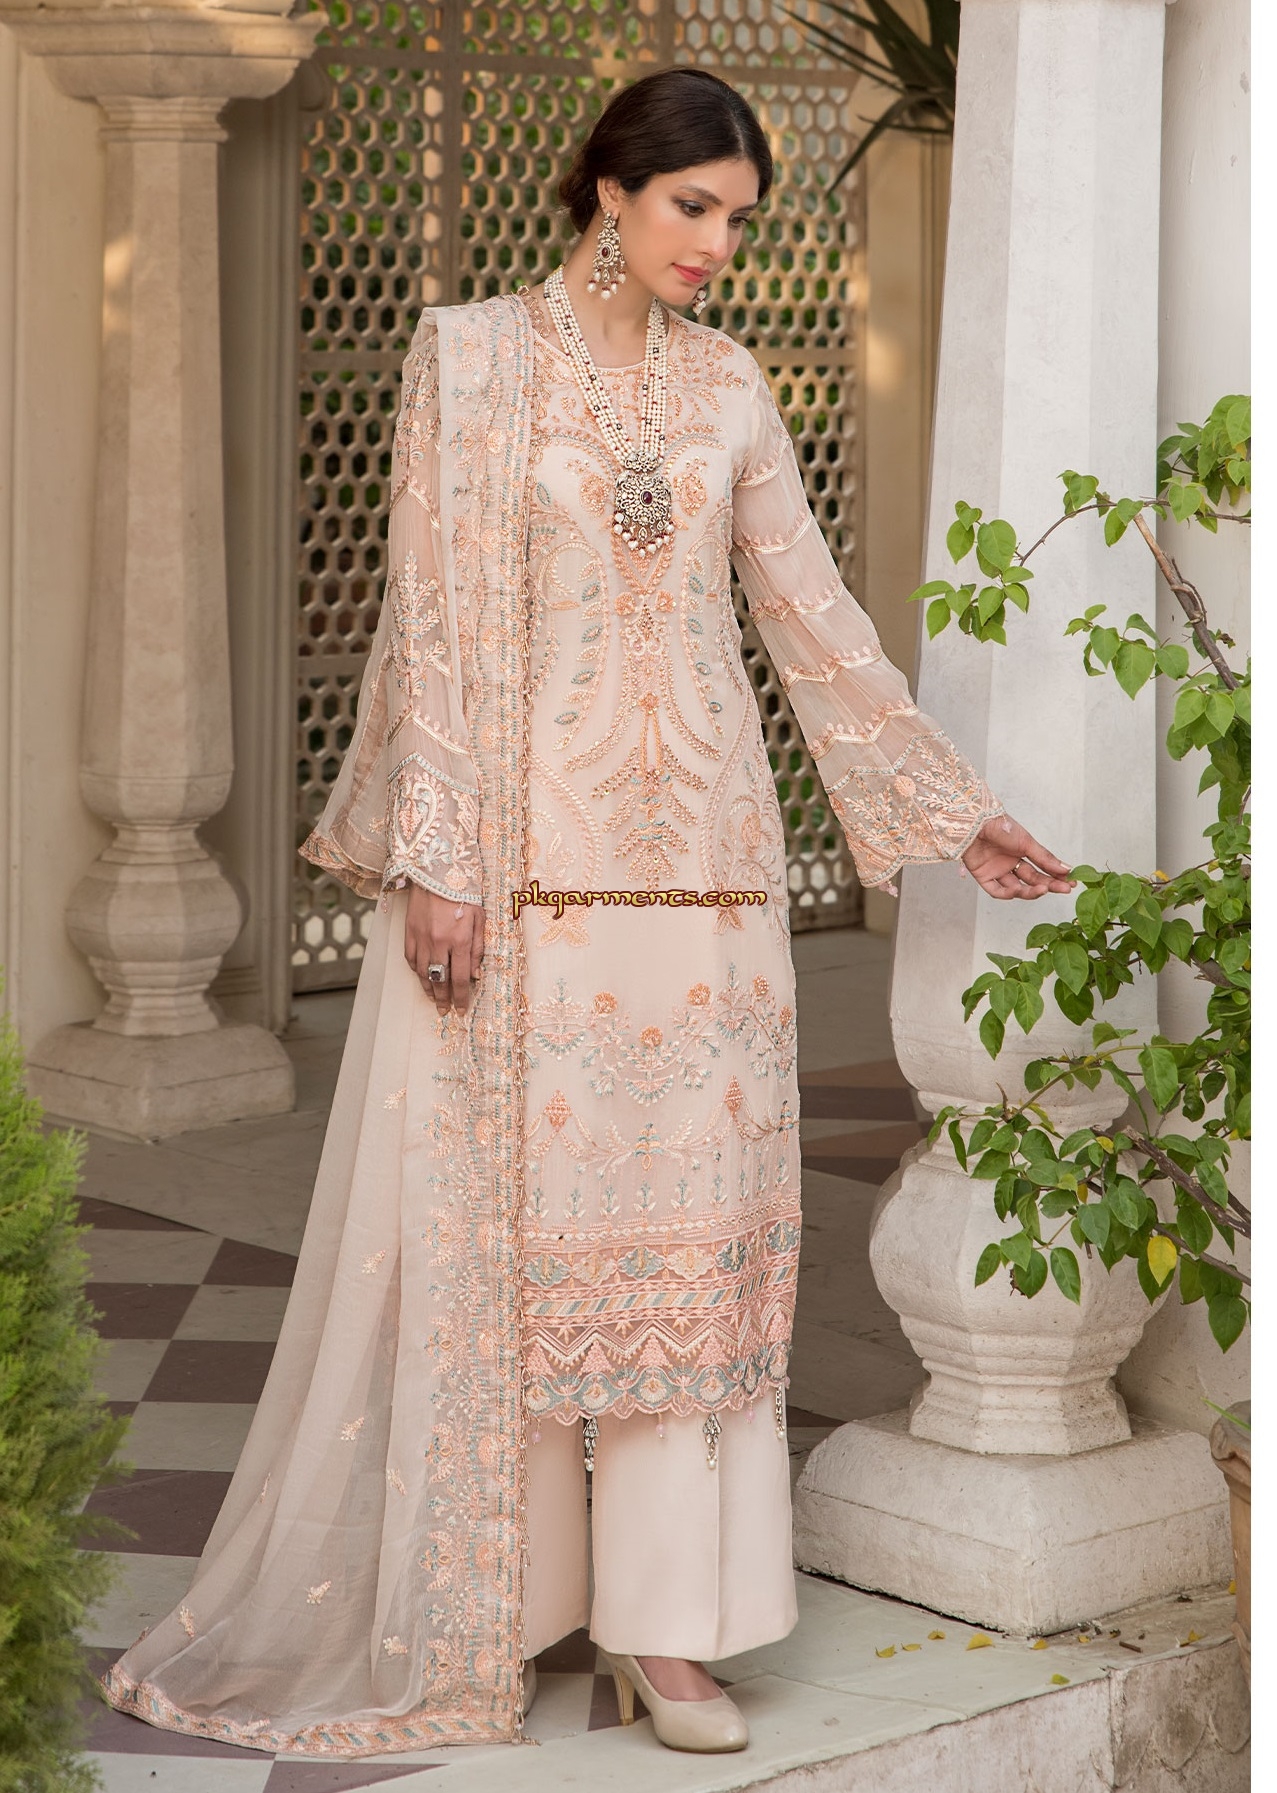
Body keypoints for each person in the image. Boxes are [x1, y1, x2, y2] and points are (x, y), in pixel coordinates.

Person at [101, 67, 1072, 1760]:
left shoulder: (730, 386)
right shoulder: (470, 359)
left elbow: (810, 618)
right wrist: (444, 857)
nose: (715, 243)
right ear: (608, 189)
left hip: (705, 878)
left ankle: (667, 1631)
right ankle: (510, 1598)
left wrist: (950, 808)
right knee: (521, 1240)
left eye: (737, 218)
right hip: (526, 873)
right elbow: (432, 623)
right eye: (692, 205)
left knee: (687, 1245)